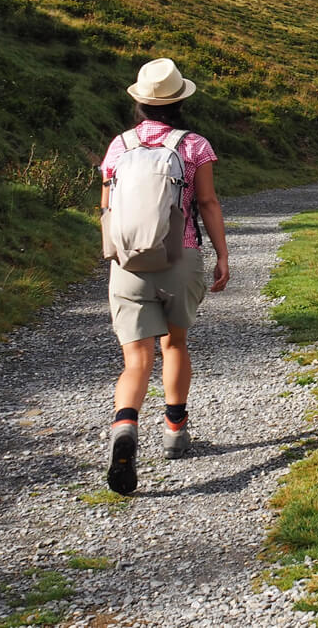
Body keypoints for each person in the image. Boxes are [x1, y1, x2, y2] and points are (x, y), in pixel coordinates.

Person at [99, 58, 230, 495]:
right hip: (182, 256)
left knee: (135, 359)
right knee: (174, 342)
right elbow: (208, 203)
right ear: (179, 102)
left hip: (128, 262)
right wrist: (223, 256)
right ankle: (175, 430)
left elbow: (107, 207)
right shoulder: (195, 146)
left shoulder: (118, 146)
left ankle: (124, 429)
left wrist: (115, 254)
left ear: (139, 102)